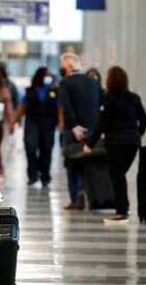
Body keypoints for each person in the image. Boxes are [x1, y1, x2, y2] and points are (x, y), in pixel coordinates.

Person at [84, 66, 146, 224]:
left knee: (117, 176)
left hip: (116, 144)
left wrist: (90, 144)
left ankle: (122, 212)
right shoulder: (134, 98)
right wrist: (136, 135)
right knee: (120, 174)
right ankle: (123, 208)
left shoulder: (109, 98)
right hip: (132, 144)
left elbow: (102, 124)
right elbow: (144, 120)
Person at [58, 52, 101, 210]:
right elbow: (100, 105)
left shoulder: (65, 83)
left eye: (63, 67)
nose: (62, 70)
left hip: (72, 131)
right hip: (91, 130)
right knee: (87, 164)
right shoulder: (93, 82)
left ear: (69, 67)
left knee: (71, 164)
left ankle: (75, 198)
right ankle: (85, 193)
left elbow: (66, 106)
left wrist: (75, 126)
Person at [13, 67, 61, 187]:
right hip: (32, 123)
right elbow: (22, 106)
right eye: (46, 75)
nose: (48, 77)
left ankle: (45, 176)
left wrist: (61, 123)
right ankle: (32, 176)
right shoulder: (30, 91)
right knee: (31, 149)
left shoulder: (54, 91)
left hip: (48, 123)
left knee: (46, 150)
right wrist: (16, 120)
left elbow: (60, 108)